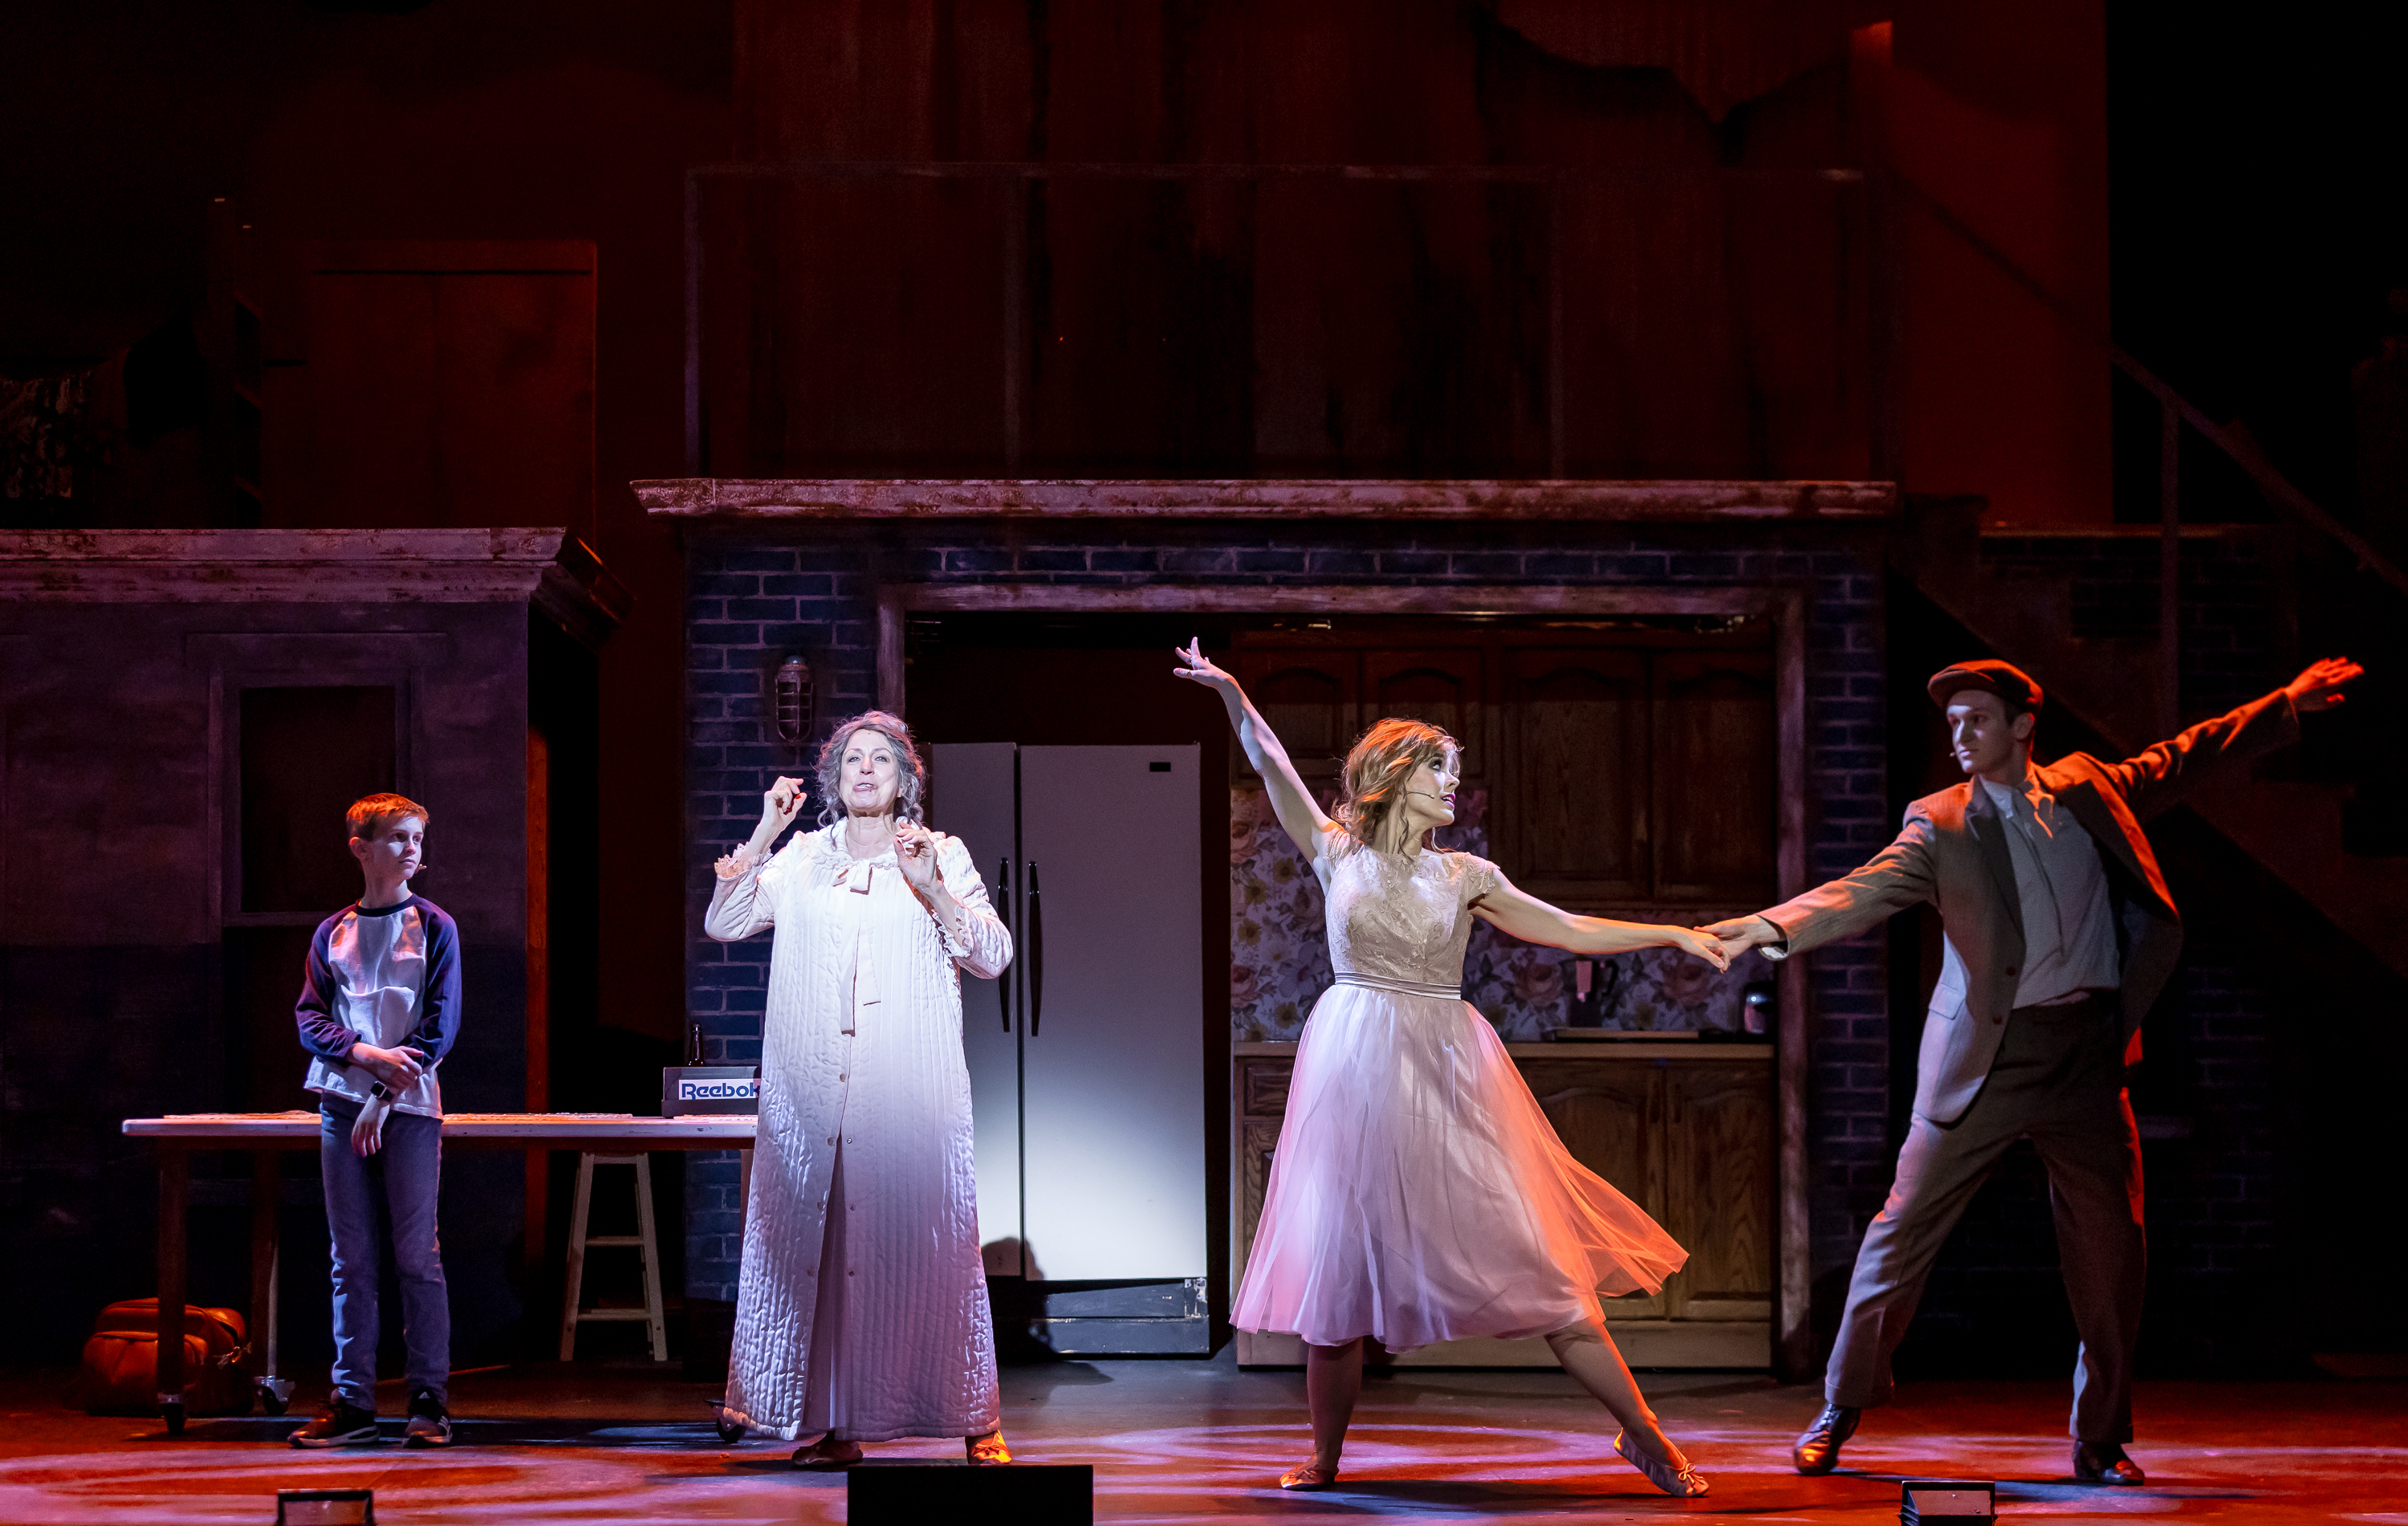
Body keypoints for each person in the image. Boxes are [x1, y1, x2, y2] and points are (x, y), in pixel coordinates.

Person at [1705, 656, 2363, 1486]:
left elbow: (2186, 755)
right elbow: (1860, 891)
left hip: (2085, 1054)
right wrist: (1768, 928)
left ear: (2022, 726)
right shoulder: (1939, 823)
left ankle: (2100, 1437)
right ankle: (1841, 1403)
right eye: (1953, 722)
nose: (1960, 734)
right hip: (1984, 1056)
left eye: (1977, 718)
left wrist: (2284, 703)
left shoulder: (2090, 789)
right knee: (1900, 1233)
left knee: (2112, 1250)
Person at [1175, 639, 1729, 1498]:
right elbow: (1270, 759)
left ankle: (1644, 1432)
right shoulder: (1335, 850)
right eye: (1440, 769)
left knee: (1544, 1264)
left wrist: (1670, 933)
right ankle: (1325, 1456)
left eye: (1455, 772)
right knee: (1338, 1279)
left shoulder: (1466, 874)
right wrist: (1232, 693)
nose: (1454, 786)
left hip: (1445, 1073)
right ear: (1396, 775)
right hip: (1354, 1073)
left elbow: (1567, 928)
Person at [706, 710, 1016, 1466]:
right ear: (834, 779)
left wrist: (932, 888)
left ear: (905, 779)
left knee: (932, 1249)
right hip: (818, 1095)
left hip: (905, 1093)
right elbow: (725, 921)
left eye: (881, 758)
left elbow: (994, 954)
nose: (866, 769)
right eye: (852, 759)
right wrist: (765, 832)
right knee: (832, 1256)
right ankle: (842, 1429)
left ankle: (976, 1419)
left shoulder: (938, 852)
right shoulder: (804, 857)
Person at [287, 792, 461, 1448]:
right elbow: (310, 1017)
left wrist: (384, 1094)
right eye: (397, 837)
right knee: (350, 1258)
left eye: (417, 837)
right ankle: (353, 1401)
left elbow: (439, 1026)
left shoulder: (435, 925)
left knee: (417, 1255)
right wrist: (362, 1054)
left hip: (407, 1107)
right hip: (341, 1104)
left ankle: (428, 1399)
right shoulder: (333, 932)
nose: (412, 848)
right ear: (361, 848)